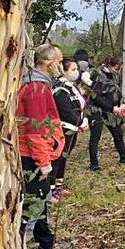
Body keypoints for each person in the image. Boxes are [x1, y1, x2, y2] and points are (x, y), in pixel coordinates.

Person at [18, 44, 66, 249]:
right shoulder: (36, 88)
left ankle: (46, 243)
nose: (61, 67)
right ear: (48, 64)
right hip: (32, 157)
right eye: (59, 62)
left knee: (40, 199)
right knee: (33, 203)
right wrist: (43, 161)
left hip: (38, 154)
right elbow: (35, 129)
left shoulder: (39, 85)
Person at [50, 58, 89, 202]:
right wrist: (79, 122)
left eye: (76, 69)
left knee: (64, 157)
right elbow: (65, 110)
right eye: (72, 69)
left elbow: (80, 103)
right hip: (63, 128)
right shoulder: (60, 88)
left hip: (73, 129)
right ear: (63, 71)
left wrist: (83, 120)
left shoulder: (71, 86)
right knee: (57, 158)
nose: (76, 72)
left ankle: (59, 185)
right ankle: (52, 188)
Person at [88, 55, 125, 170]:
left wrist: (121, 104)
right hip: (97, 109)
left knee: (118, 134)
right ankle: (94, 164)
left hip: (112, 109)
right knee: (95, 137)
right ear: (109, 65)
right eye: (117, 68)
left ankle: (124, 157)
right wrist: (111, 107)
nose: (118, 71)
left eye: (120, 69)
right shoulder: (97, 75)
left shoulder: (114, 75)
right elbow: (95, 97)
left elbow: (116, 91)